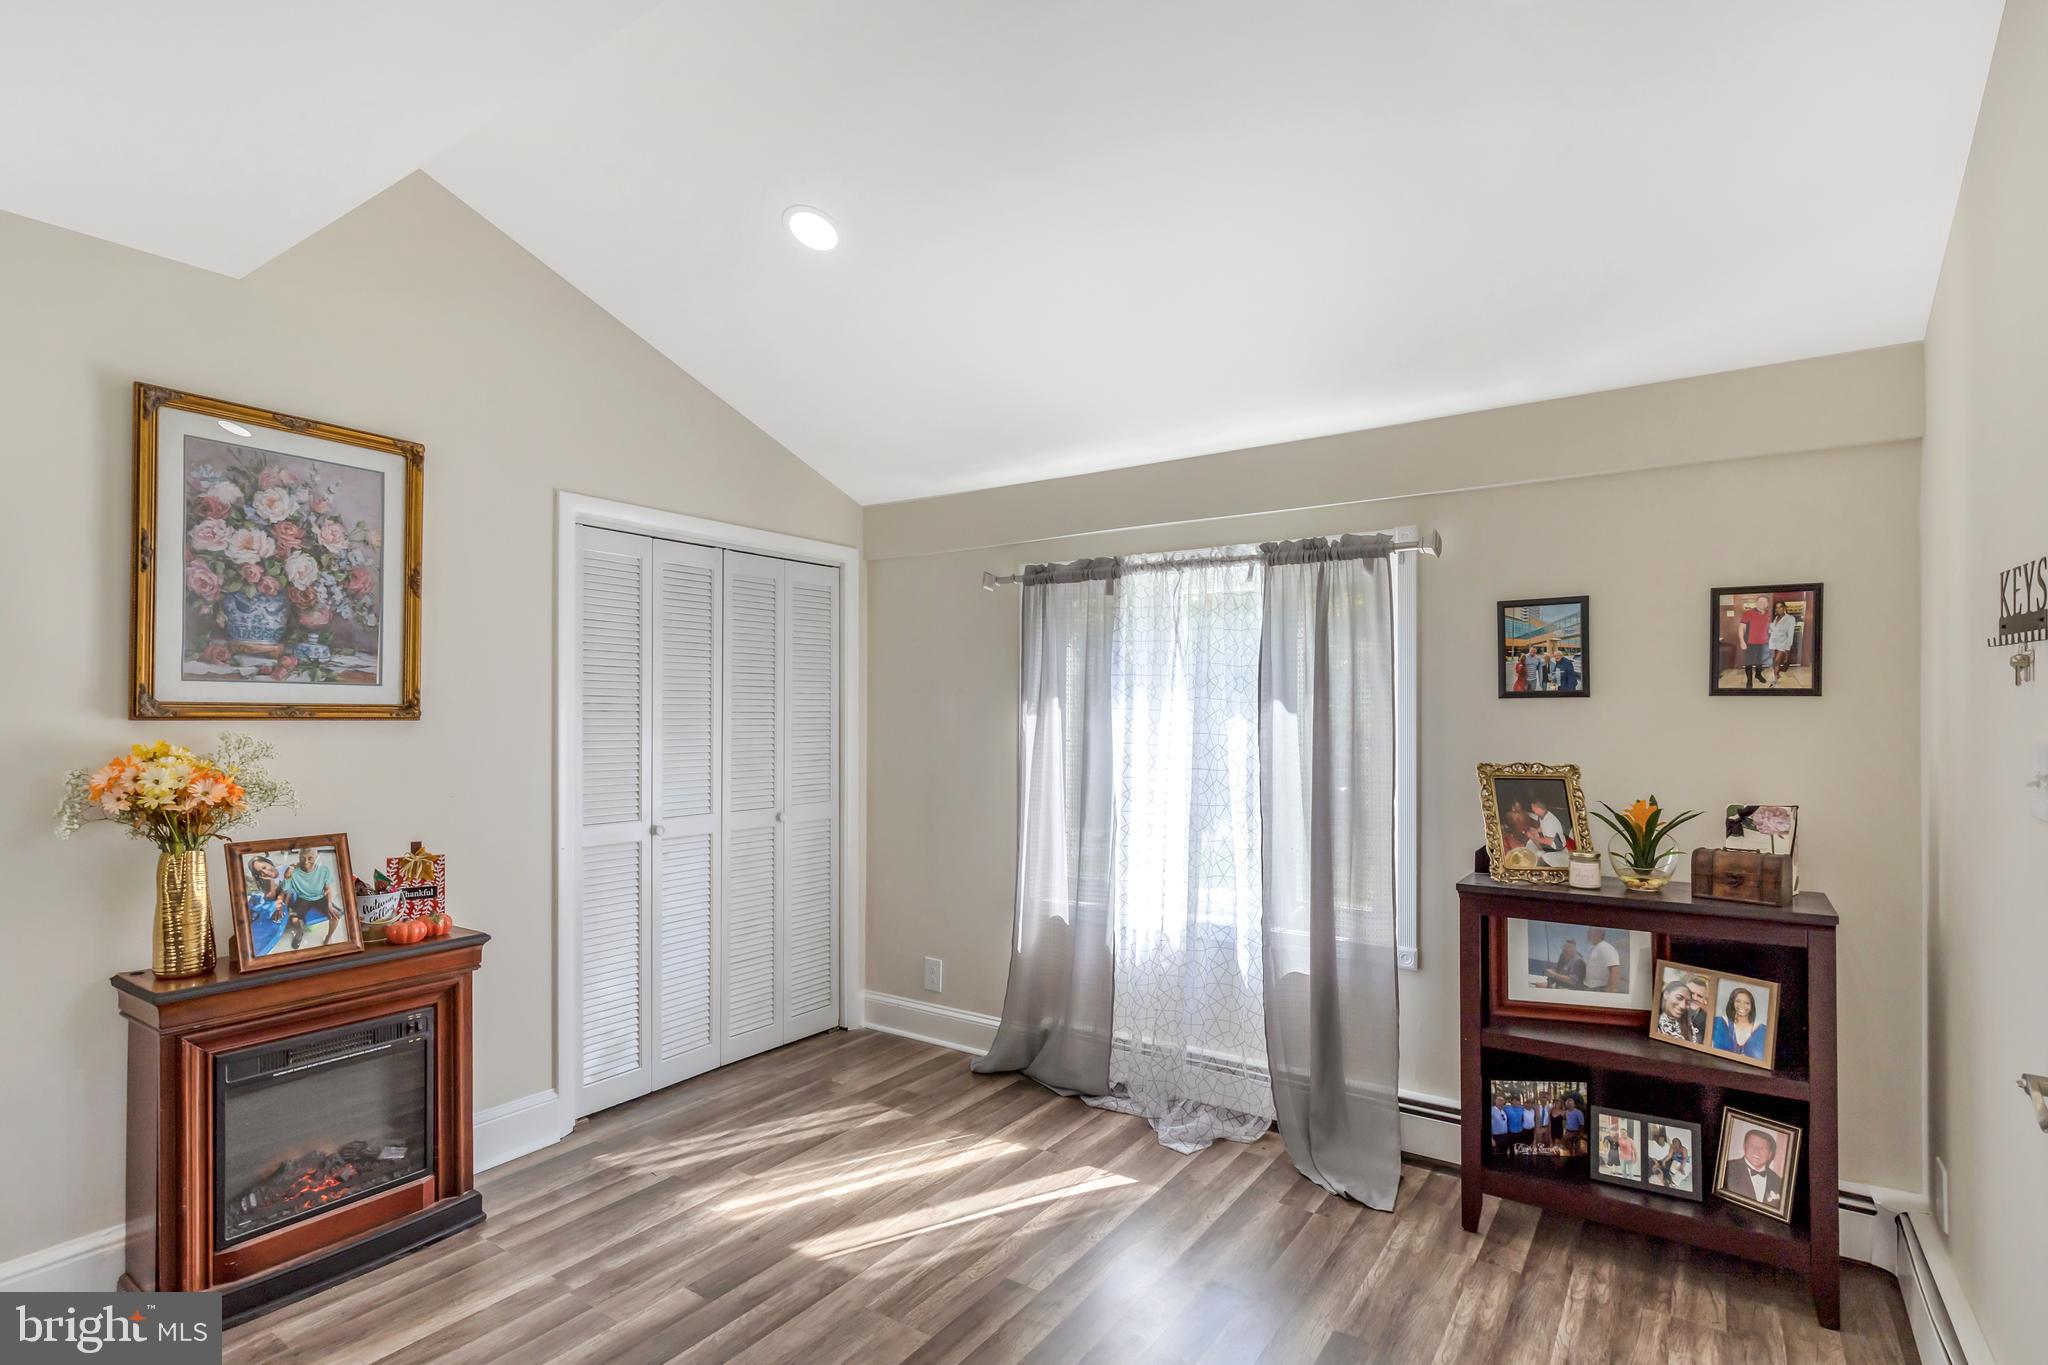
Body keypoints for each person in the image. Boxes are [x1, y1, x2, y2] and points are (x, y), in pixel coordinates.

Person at [281, 847, 342, 950]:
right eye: (302, 858)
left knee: (336, 917)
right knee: (293, 918)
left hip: (321, 897)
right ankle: (299, 932)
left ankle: (329, 936)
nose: (305, 862)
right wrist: (287, 877)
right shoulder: (294, 871)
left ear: (316, 857)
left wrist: (329, 905)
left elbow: (328, 889)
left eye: (310, 858)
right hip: (303, 898)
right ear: (298, 858)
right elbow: (286, 889)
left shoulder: (324, 870)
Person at [1726, 1127, 1785, 1209]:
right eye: (1752, 1146)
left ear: (1770, 1155)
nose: (1756, 1151)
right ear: (1744, 1147)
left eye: (1762, 1148)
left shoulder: (1779, 1182)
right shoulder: (1726, 1168)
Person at [1712, 986, 1770, 1060]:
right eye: (1738, 1001)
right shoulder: (1718, 1022)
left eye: (1747, 1003)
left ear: (1752, 1006)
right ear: (1732, 1003)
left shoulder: (1763, 1030)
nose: (1742, 1006)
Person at [1737, 596, 1772, 689]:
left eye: (1765, 601)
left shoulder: (1769, 615)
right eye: (1760, 601)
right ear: (1756, 602)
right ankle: (1749, 680)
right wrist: (1742, 641)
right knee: (1749, 663)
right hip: (1750, 643)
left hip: (1764, 644)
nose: (1762, 603)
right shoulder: (1748, 613)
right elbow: (1741, 628)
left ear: (1767, 604)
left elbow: (1769, 628)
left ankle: (1758, 675)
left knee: (1760, 662)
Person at [1526, 798, 1571, 867]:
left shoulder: (1549, 822)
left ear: (1538, 808)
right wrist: (1535, 831)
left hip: (1557, 847)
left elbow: (1548, 841)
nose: (1532, 809)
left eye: (1533, 808)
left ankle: (1543, 852)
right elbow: (1542, 827)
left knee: (1533, 838)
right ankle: (1542, 850)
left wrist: (1533, 837)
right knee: (1532, 831)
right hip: (1553, 841)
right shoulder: (1544, 814)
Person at [1580, 927, 1622, 993]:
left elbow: (1615, 970)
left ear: (1599, 934)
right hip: (1589, 987)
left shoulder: (1606, 947)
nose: (1587, 934)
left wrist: (1610, 991)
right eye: (1588, 932)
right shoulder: (1593, 949)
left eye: (1590, 932)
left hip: (1600, 988)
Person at [1656, 977, 1696, 1041]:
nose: (1683, 1006)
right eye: (1679, 998)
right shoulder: (1654, 1022)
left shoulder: (1688, 1026)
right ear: (1666, 994)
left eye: (1687, 1003)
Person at [1768, 601, 1798, 685]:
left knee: (1776, 661)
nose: (1778, 609)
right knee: (1773, 661)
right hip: (1772, 642)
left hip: (1782, 642)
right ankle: (1777, 674)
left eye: (1780, 606)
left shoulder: (1790, 618)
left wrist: (1787, 649)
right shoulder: (1774, 618)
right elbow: (1770, 631)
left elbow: (1790, 634)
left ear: (1784, 608)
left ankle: (1775, 680)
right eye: (1776, 607)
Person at [1686, 977, 1711, 1043]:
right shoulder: (1670, 1011)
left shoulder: (1708, 1021)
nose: (1695, 998)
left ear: (1704, 1000)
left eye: (1699, 996)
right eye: (1691, 993)